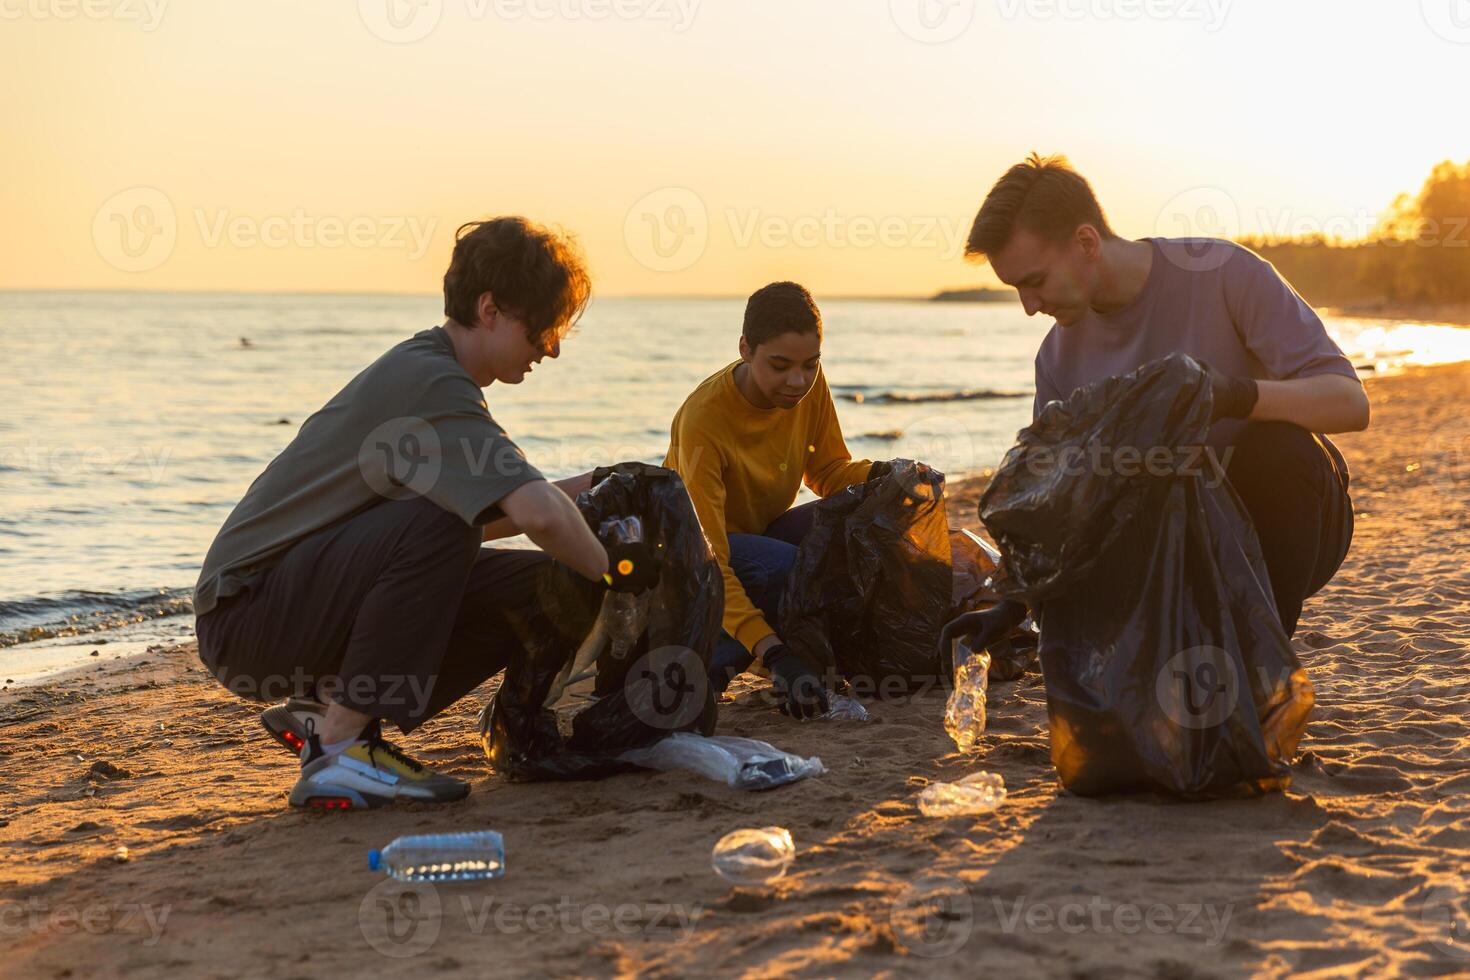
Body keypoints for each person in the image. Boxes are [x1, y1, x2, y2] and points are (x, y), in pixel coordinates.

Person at [194, 217, 659, 810]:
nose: (554, 346)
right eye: (543, 326)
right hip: (246, 612)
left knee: (543, 585)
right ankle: (339, 749)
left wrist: (593, 486)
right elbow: (533, 516)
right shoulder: (430, 382)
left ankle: (325, 712)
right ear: (490, 309)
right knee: (454, 525)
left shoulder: (436, 376)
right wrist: (614, 574)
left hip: (295, 601)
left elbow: (482, 525)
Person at [941, 153, 1369, 655]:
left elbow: (1350, 403)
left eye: (1034, 281)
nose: (1029, 306)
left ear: (1086, 242)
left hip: (1290, 519)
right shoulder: (1057, 358)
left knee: (1280, 449)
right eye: (1016, 289)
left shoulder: (1226, 273)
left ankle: (1257, 663)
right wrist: (1011, 606)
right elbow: (1051, 504)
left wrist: (1232, 394)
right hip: (1168, 546)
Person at [663, 282, 887, 719]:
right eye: (780, 366)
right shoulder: (704, 420)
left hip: (754, 536)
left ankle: (829, 656)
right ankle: (703, 668)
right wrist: (774, 653)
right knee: (788, 566)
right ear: (745, 348)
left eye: (811, 365)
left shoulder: (807, 386)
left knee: (867, 513)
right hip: (689, 557)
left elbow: (826, 472)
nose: (798, 381)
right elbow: (708, 561)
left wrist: (884, 474)